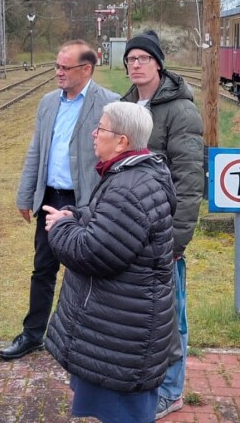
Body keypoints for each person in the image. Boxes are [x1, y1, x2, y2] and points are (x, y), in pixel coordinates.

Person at [43, 101, 177, 422]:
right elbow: (107, 221)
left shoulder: (129, 187)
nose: (93, 134)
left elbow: (93, 252)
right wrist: (75, 215)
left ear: (122, 142)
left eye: (100, 129)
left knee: (122, 416)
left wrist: (59, 227)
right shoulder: (132, 175)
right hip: (123, 329)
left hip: (124, 337)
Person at [0, 40, 118, 361]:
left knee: (87, 271)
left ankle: (88, 339)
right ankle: (33, 334)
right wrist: (26, 195)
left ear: (86, 69)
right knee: (43, 269)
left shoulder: (109, 104)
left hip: (87, 201)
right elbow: (36, 151)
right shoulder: (48, 103)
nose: (58, 73)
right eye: (57, 66)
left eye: (65, 68)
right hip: (51, 198)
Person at [121, 30, 205, 420]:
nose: (134, 64)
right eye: (130, 59)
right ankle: (143, 382)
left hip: (163, 236)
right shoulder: (126, 105)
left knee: (171, 314)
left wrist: (177, 239)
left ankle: (171, 391)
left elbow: (189, 183)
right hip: (129, 232)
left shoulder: (180, 111)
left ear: (157, 63)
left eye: (142, 58)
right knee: (141, 314)